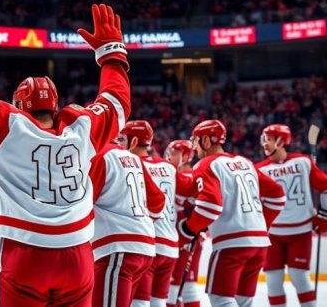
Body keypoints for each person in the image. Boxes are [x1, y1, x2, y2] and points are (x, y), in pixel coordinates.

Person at [0, 0, 131, 306]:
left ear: (20, 104)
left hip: (25, 252)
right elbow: (117, 103)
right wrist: (111, 55)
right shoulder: (82, 128)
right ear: (55, 104)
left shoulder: (5, 127)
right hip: (77, 253)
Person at [177, 119, 285, 307]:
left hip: (232, 244)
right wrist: (261, 225)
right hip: (259, 244)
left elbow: (210, 205)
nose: (195, 147)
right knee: (243, 301)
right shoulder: (245, 162)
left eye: (196, 140)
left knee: (221, 298)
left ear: (207, 141)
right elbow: (277, 195)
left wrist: (188, 229)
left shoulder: (205, 164)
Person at [90, 128, 166, 307]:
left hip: (117, 248)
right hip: (143, 247)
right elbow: (158, 203)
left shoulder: (100, 155)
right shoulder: (133, 158)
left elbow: (82, 202)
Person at [122, 121, 194, 307]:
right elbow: (191, 190)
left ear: (133, 140)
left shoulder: (131, 164)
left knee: (140, 302)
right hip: (171, 247)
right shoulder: (169, 167)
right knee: (159, 303)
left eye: (123, 139)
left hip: (148, 244)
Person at [256, 124, 327, 307]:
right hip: (272, 234)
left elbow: (325, 186)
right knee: (272, 281)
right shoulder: (259, 170)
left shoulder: (303, 162)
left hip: (300, 232)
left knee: (300, 277)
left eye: (268, 139)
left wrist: (324, 215)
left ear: (280, 141)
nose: (264, 144)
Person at [164, 140, 203, 307]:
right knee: (184, 287)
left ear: (185, 156)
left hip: (184, 239)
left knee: (176, 288)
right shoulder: (187, 176)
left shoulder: (186, 177)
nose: (167, 158)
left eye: (172, 154)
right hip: (186, 237)